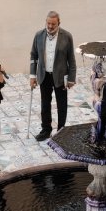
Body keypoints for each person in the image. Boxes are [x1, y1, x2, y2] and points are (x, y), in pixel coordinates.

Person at [28, 11, 76, 140]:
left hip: (60, 76)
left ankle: (61, 130)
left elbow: (71, 59)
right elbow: (34, 56)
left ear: (58, 23)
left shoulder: (67, 36)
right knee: (45, 104)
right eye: (48, 23)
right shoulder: (38, 35)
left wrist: (71, 78)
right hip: (44, 75)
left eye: (53, 24)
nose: (50, 26)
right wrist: (32, 76)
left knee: (62, 104)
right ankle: (46, 129)